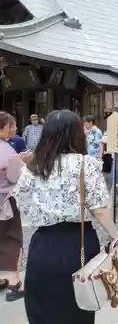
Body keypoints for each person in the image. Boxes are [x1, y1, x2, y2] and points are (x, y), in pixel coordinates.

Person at [12, 110, 118, 324]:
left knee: (43, 309)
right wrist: (115, 237)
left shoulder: (33, 167)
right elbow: (99, 208)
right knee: (79, 307)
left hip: (42, 246)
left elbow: (22, 204)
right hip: (78, 244)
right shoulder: (85, 164)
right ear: (77, 135)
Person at [0, 112, 27, 302]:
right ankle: (14, 283)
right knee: (13, 240)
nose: (15, 129)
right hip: (6, 201)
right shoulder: (6, 150)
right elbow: (14, 177)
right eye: (11, 125)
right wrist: (23, 161)